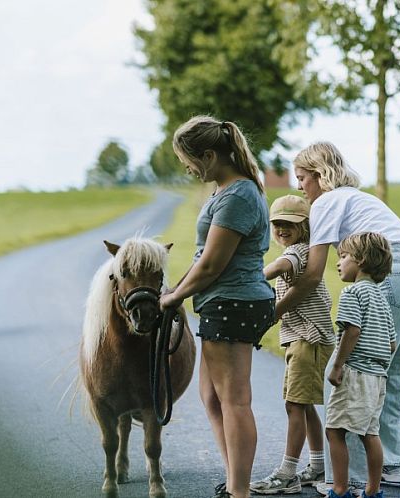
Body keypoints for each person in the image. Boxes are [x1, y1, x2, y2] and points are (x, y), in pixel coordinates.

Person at [275, 142, 400, 494]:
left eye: (302, 178)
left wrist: (274, 312)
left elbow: (314, 273)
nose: (299, 186)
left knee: (349, 372)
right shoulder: (359, 199)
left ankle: (347, 481)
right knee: (389, 370)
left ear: (319, 174)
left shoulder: (328, 202)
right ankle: (393, 465)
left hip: (392, 278)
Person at [159, 115, 275, 498]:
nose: (187, 168)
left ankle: (240, 491)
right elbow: (203, 257)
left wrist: (174, 297)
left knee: (234, 400)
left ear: (209, 155)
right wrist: (177, 289)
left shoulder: (239, 195)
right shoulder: (227, 193)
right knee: (212, 397)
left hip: (233, 302)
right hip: (224, 302)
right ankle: (233, 480)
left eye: (188, 160)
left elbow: (212, 264)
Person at [250, 195, 335, 494]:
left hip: (308, 339)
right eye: (278, 224)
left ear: (305, 227)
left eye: (291, 224)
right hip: (304, 338)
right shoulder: (300, 249)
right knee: (304, 403)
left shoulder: (300, 252)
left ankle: (287, 472)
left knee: (294, 405)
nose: (283, 229)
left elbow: (281, 265)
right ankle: (317, 465)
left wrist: (253, 278)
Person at [326, 232, 396, 498]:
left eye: (343, 256)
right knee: (370, 433)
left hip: (355, 372)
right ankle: (372, 491)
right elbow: (391, 344)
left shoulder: (352, 292)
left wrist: (337, 365)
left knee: (335, 430)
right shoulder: (381, 298)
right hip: (378, 377)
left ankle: (340, 490)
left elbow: (351, 331)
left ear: (362, 260)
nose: (339, 262)